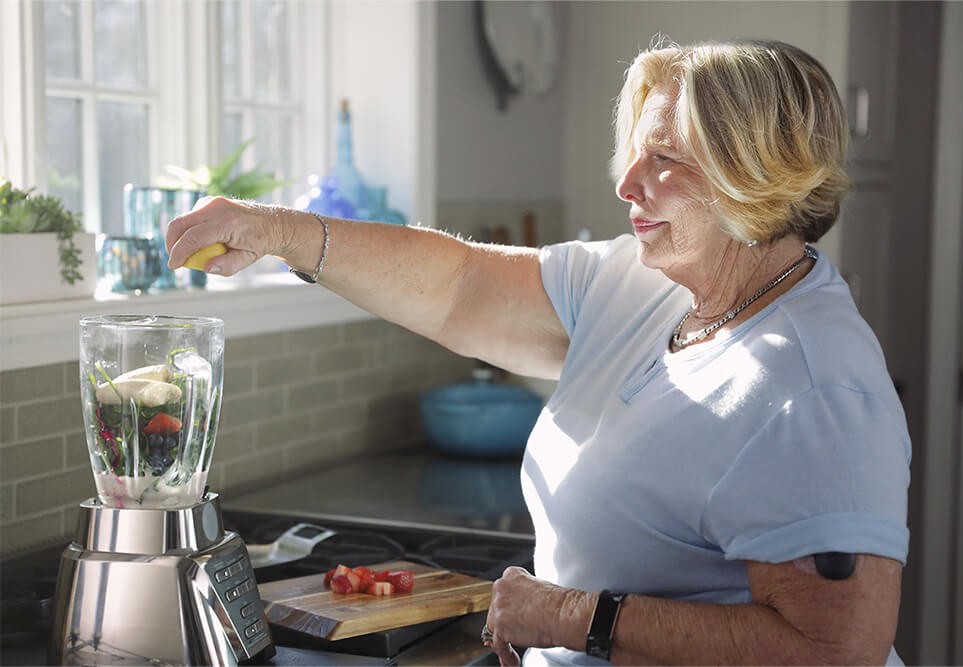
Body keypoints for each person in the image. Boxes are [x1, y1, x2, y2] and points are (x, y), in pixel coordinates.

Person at [167, 39, 910, 666]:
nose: (627, 183)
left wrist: (572, 616)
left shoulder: (815, 388)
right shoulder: (639, 280)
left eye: (665, 159)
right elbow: (458, 286)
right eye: (634, 153)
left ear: (754, 173)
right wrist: (279, 231)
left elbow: (833, 650)